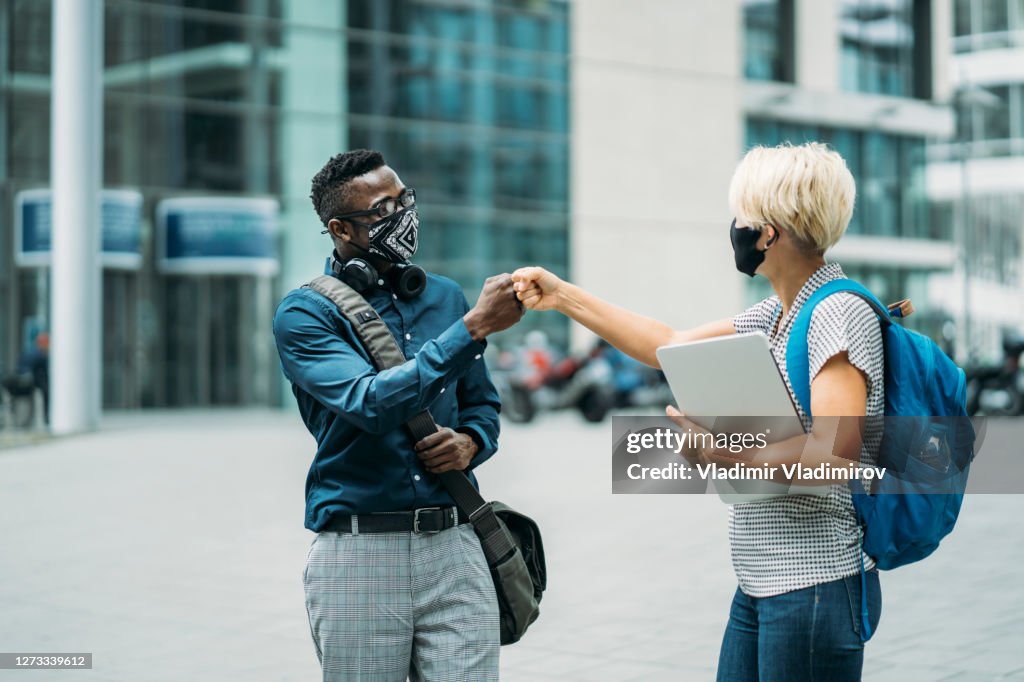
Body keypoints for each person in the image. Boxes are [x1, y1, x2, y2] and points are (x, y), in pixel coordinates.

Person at [513, 142, 884, 681]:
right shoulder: (778, 314)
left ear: (769, 232)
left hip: (815, 586)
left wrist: (725, 451)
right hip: (761, 581)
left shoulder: (837, 312)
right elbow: (669, 342)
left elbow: (835, 451)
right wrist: (563, 296)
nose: (733, 226)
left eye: (740, 216)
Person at [273, 149, 523, 681]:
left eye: (405, 198)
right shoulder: (305, 314)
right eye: (383, 209)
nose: (404, 216)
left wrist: (472, 442)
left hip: (456, 546)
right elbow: (370, 401)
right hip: (360, 553)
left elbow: (482, 405)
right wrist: (472, 329)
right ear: (340, 228)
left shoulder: (445, 298)